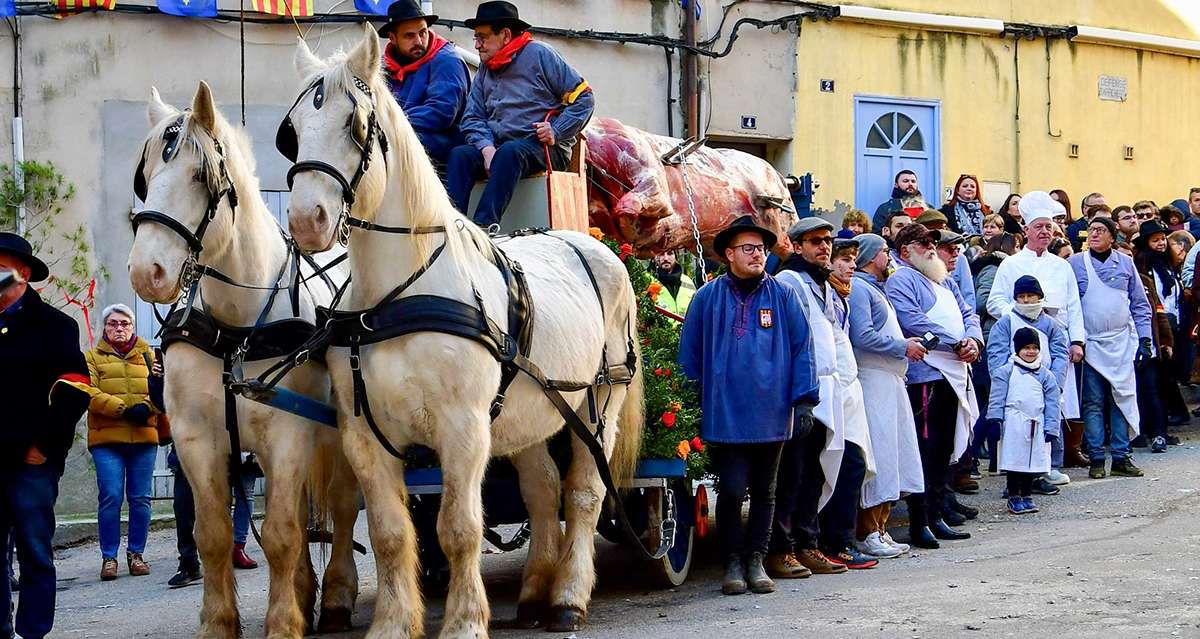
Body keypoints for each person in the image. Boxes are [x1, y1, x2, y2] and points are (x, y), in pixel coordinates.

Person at [678, 215, 819, 596]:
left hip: (772, 412)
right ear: (728, 254)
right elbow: (688, 354)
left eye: (761, 248)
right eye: (749, 248)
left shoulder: (783, 295)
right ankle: (733, 563)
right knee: (733, 490)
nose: (758, 254)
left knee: (766, 490)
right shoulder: (707, 297)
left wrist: (805, 400)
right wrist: (689, 404)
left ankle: (757, 560)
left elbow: (803, 348)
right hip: (724, 412)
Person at [0, 232, 89, 639]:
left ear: (22, 273)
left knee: (34, 551)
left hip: (31, 462)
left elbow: (74, 390)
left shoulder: (56, 325)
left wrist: (45, 447)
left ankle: (33, 631)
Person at [767, 218, 864, 576]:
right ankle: (781, 550)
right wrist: (798, 394)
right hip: (801, 393)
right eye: (814, 242)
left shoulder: (820, 283)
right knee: (791, 474)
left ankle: (808, 544)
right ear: (797, 246)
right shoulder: (788, 281)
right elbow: (789, 342)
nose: (824, 247)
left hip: (829, 390)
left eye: (827, 241)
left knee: (814, 472)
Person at [446, 1, 595, 227]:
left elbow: (584, 98)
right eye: (476, 38)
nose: (476, 45)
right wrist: (487, 149)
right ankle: (452, 225)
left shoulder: (540, 54)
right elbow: (472, 117)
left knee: (510, 152)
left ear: (505, 35)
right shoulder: (486, 68)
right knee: (460, 155)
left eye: (482, 37)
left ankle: (484, 227)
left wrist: (556, 130)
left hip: (543, 149)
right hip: (500, 149)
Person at [886, 223, 982, 547]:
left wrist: (973, 341)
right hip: (926, 373)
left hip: (954, 372)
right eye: (923, 242)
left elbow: (969, 312)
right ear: (905, 251)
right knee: (926, 448)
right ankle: (920, 520)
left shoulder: (946, 280)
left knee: (943, 449)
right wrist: (957, 342)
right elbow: (912, 319)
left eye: (932, 242)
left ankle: (938, 514)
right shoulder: (902, 279)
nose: (931, 247)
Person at [987, 191, 1085, 491]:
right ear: (1026, 230)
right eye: (1039, 227)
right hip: (1023, 347)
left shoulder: (1062, 266)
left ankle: (1050, 464)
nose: (1045, 232)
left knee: (1053, 403)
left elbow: (1073, 306)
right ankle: (1020, 470)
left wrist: (1077, 341)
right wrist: (1023, 313)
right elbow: (994, 302)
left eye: (1049, 227)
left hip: (1056, 345)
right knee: (1025, 406)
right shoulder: (1011, 265)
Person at [847, 234, 924, 558]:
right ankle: (867, 530)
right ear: (867, 256)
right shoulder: (861, 289)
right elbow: (862, 335)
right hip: (875, 381)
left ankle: (881, 526)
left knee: (895, 454)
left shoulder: (877, 288)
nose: (888, 255)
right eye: (882, 250)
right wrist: (901, 346)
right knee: (879, 454)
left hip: (891, 381)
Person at [806, 238, 879, 568]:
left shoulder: (841, 295)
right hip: (831, 391)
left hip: (849, 390)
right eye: (844, 260)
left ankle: (841, 538)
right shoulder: (820, 293)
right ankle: (838, 541)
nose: (851, 265)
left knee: (854, 462)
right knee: (843, 463)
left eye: (852, 259)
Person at [1069, 215, 1151, 479]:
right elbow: (1070, 306)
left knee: (1122, 399)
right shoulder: (1074, 264)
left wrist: (1145, 339)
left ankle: (1121, 455)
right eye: (1091, 230)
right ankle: (1095, 458)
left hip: (1121, 342)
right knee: (1092, 402)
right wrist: (1076, 340)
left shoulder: (1126, 264)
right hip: (1090, 344)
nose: (1094, 234)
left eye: (1101, 230)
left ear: (1112, 236)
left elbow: (1139, 304)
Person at [85, 304, 160, 581]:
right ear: (105, 328)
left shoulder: (148, 356)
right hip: (107, 439)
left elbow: (162, 390)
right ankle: (109, 557)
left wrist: (148, 407)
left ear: (132, 327)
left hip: (143, 438)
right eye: (113, 324)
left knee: (141, 499)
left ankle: (136, 553)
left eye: (124, 324)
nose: (119, 328)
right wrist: (122, 409)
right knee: (111, 497)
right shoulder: (92, 357)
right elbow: (89, 392)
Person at [377, 0, 471, 165]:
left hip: (445, 146)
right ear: (392, 38)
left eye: (423, 32)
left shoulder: (447, 60)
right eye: (409, 36)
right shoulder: (383, 67)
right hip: (402, 135)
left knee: (391, 145)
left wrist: (391, 123)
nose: (419, 41)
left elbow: (441, 112)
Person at [988, 327, 1061, 515]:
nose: (1030, 351)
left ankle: (1027, 495)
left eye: (1034, 347)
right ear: (1017, 349)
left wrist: (1052, 427)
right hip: (1014, 422)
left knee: (1033, 462)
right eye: (1026, 347)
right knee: (1015, 462)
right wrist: (995, 420)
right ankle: (1013, 495)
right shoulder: (1005, 372)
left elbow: (1053, 403)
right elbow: (997, 396)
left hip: (1037, 422)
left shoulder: (1046, 375)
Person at [1132, 219, 1185, 452]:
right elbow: (1155, 304)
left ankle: (1162, 428)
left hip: (1171, 325)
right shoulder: (1144, 266)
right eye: (1156, 240)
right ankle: (1152, 430)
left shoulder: (1168, 265)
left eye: (1163, 239)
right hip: (1155, 327)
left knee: (1166, 382)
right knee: (1154, 385)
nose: (1161, 243)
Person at [917, 210, 976, 310]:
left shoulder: (960, 258)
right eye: (932, 229)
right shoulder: (917, 259)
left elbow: (968, 296)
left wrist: (969, 322)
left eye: (941, 228)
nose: (940, 232)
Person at [649, 251, 695, 317]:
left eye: (670, 253)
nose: (666, 258)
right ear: (654, 257)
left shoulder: (687, 280)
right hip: (657, 327)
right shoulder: (647, 280)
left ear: (676, 257)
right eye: (661, 254)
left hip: (686, 326)